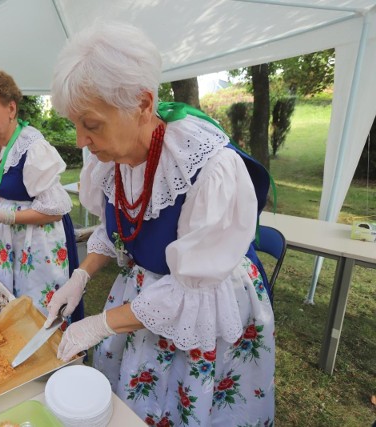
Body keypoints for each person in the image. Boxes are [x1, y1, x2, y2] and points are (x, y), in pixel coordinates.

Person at [47, 22, 275, 426]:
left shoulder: (209, 167)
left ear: (142, 103)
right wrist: (82, 275)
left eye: (91, 124)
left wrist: (100, 324)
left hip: (204, 299)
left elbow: (193, 290)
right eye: (75, 124)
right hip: (148, 296)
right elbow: (120, 226)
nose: (81, 140)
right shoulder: (108, 155)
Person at [0, 70, 83, 320]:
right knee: (6, 305)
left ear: (11, 108)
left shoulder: (32, 148)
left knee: (36, 311)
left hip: (34, 244)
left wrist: (4, 216)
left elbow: (55, 210)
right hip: (2, 243)